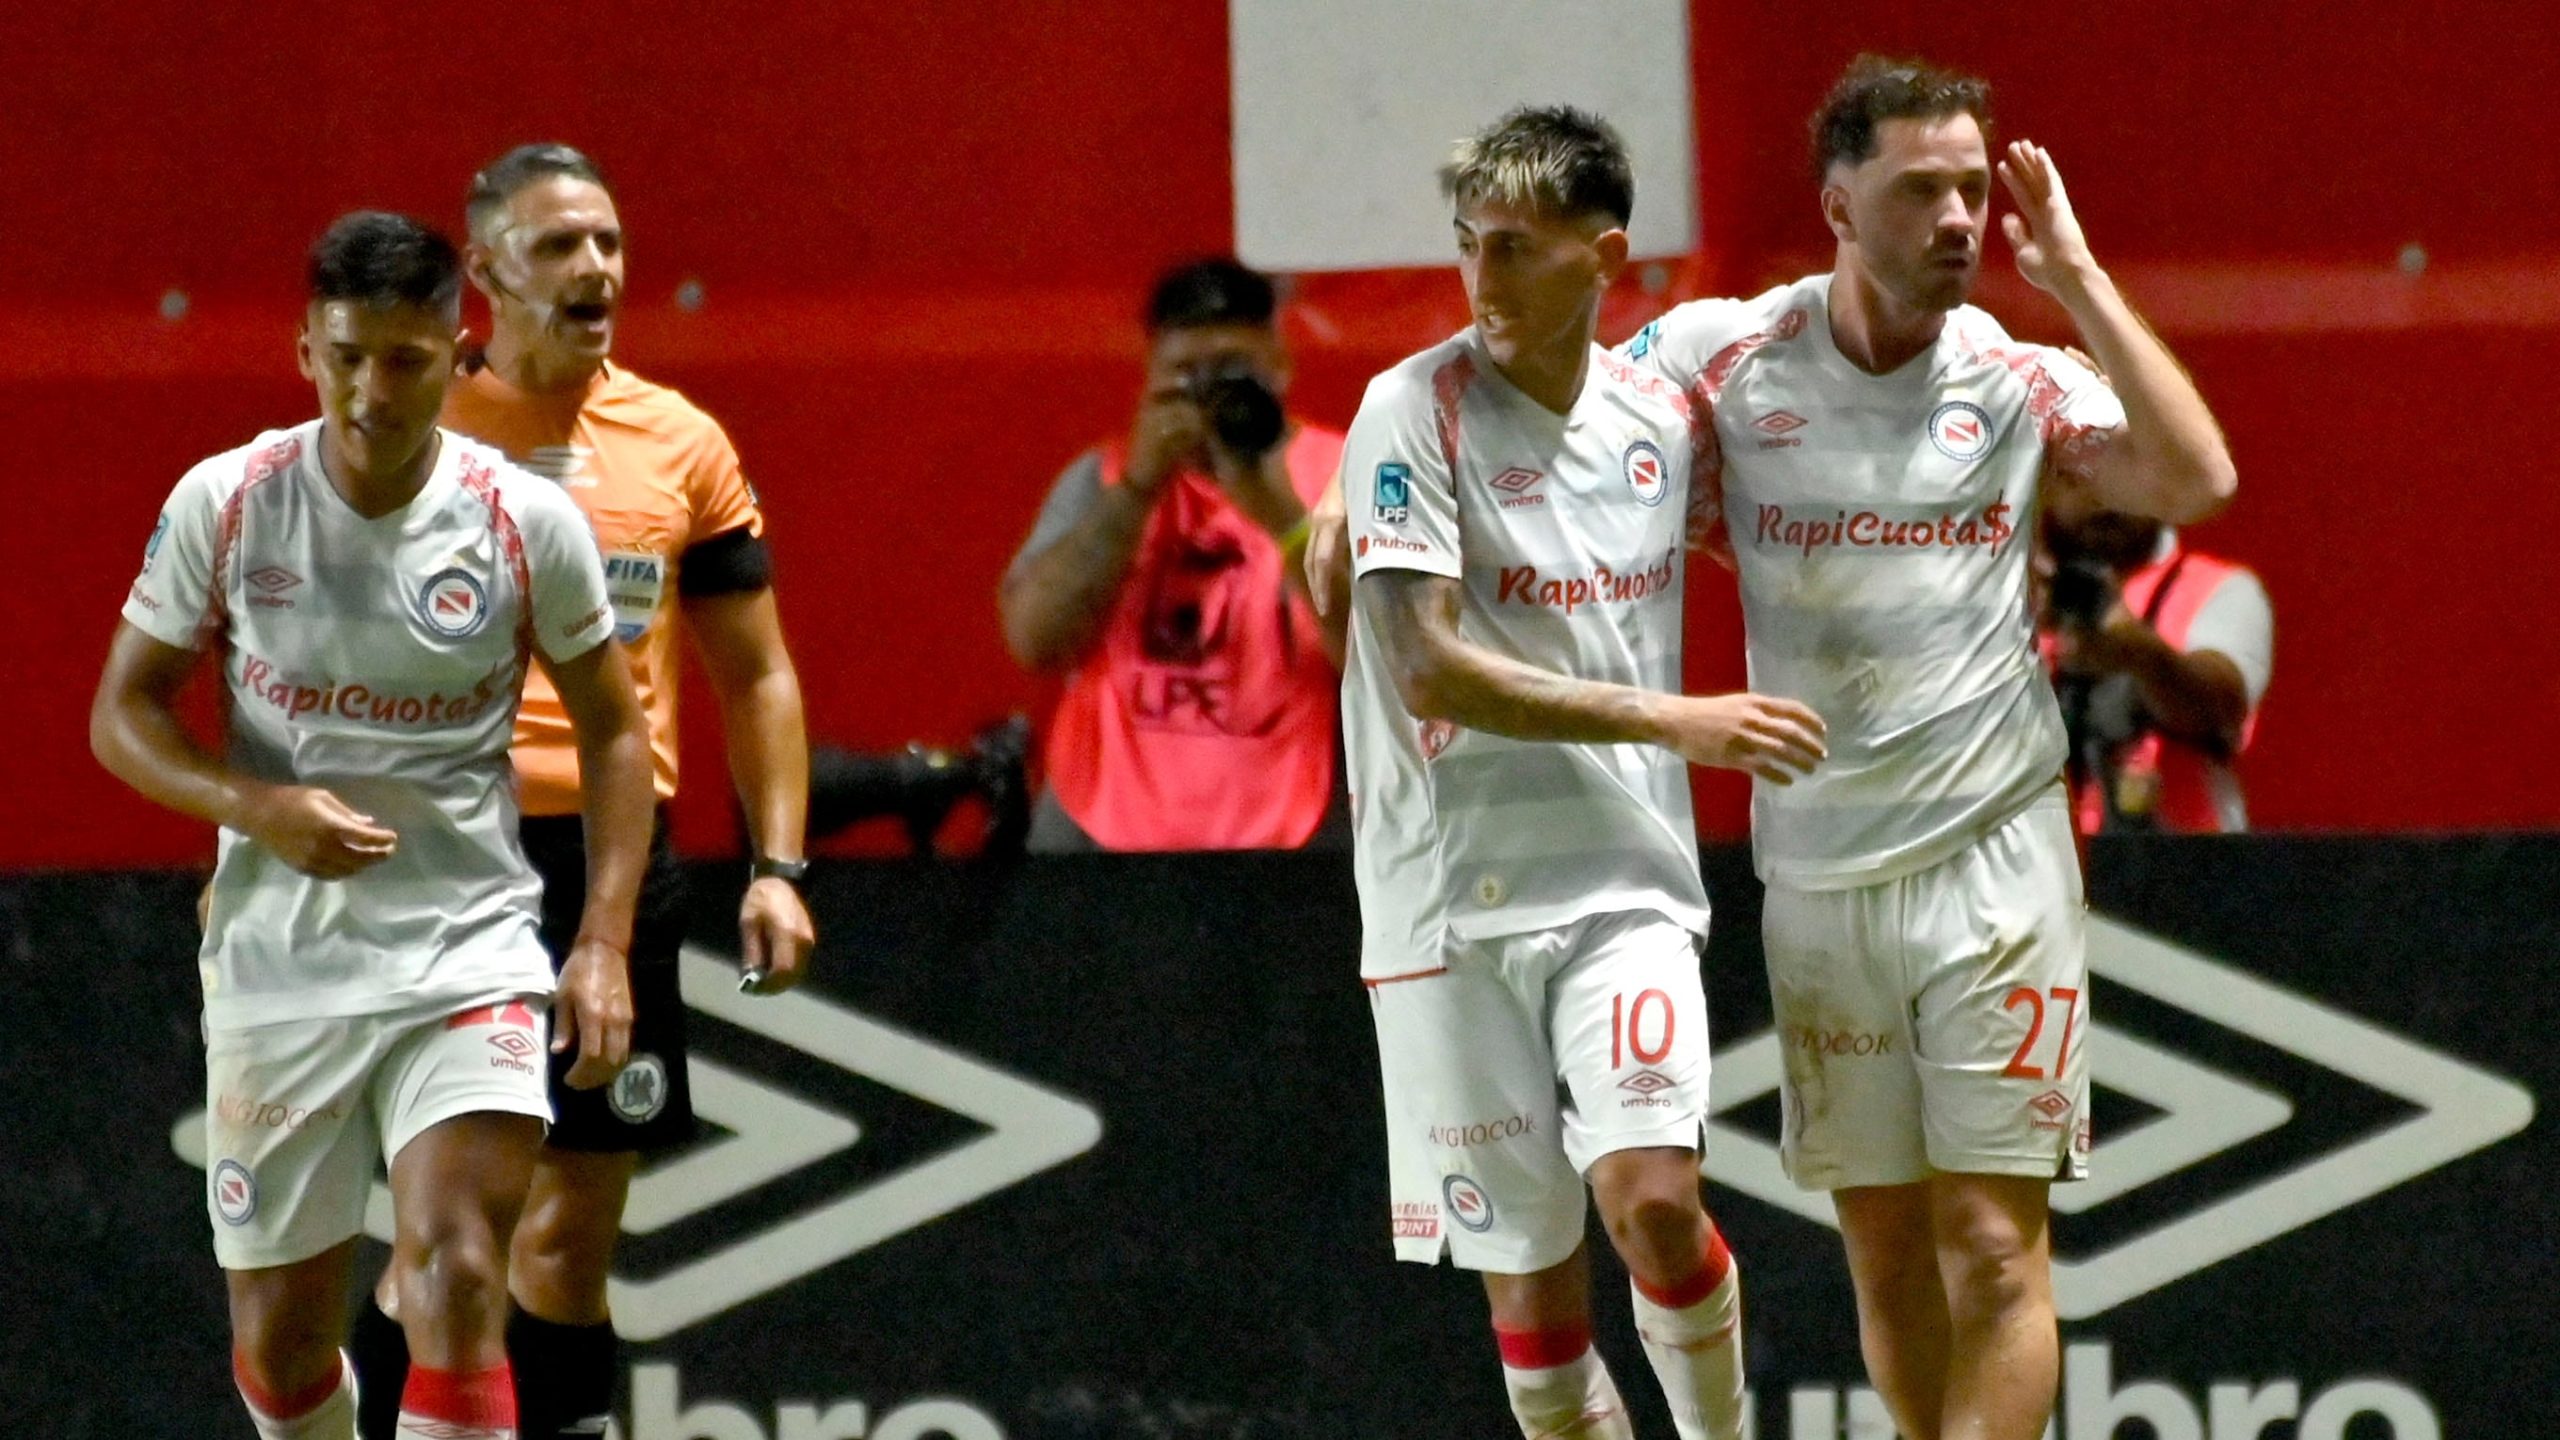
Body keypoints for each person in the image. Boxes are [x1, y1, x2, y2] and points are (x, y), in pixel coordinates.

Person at [1605, 55, 2238, 1440]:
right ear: (1838, 206)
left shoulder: (2015, 377)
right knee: (1886, 1255)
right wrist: (1364, 488)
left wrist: (2077, 278)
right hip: (1820, 873)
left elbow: (2197, 478)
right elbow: (1551, 430)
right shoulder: (1724, 355)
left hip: (1993, 862)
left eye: (1971, 188)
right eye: (1919, 190)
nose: (1958, 217)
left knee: (1995, 1248)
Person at [92, 211, 653, 1440]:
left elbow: (617, 731)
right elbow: (121, 714)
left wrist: (602, 940)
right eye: (346, 357)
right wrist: (255, 807)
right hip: (281, 963)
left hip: (465, 951)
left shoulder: (525, 523)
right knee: (281, 1354)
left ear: (457, 356)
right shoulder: (230, 502)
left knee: (457, 1271)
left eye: (403, 361)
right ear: (307, 350)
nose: (369, 391)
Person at [1338, 106, 1828, 1440]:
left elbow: (1813, 522)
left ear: (1603, 256)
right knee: (1541, 1323)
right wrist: (1670, 719)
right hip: (1444, 906)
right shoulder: (1408, 411)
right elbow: (1425, 667)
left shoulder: (1661, 419)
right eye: (1467, 244)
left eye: (1514, 247)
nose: (1481, 277)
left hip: (1622, 887)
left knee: (1655, 1203)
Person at [343, 144, 819, 1440]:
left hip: (612, 861)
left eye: (607, 240)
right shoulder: (417, 432)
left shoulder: (681, 444)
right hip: (448, 859)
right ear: (486, 271)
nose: (595, 266)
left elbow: (757, 674)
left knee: (567, 1238)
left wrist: (778, 868)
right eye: (559, 245)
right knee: (454, 1232)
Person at [999, 258, 1347, 852]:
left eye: (1234, 370)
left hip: (1298, 838)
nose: (1212, 396)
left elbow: (1392, 659)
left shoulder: (1347, 472)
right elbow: (1035, 641)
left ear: (1280, 364)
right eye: (1186, 375)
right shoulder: (1102, 480)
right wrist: (1137, 490)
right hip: (1097, 836)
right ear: (1150, 380)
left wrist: (1283, 517)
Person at [2041, 504, 2271, 833]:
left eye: (2125, 485)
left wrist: (2140, 654)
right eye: (2081, 484)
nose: (2106, 501)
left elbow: (2217, 712)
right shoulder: (2003, 596)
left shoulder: (2218, 589)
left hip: (2176, 857)